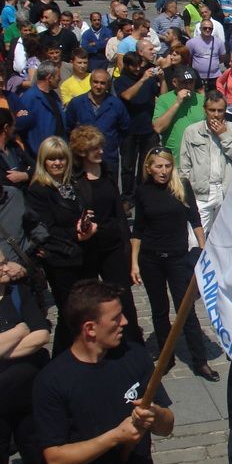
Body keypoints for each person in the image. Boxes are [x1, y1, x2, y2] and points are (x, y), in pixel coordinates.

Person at [32, 280, 174, 464]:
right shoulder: (53, 381)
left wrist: (156, 416)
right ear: (90, 329)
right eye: (115, 318)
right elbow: (56, 459)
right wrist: (115, 437)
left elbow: (167, 426)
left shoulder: (133, 356)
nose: (125, 322)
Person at [130, 148, 219, 382]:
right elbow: (138, 229)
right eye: (158, 167)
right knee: (159, 310)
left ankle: (200, 360)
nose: (163, 171)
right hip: (150, 258)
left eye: (167, 166)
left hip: (178, 257)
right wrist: (134, 263)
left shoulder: (181, 186)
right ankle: (166, 357)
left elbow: (195, 219)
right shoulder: (143, 191)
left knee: (186, 310)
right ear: (149, 168)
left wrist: (202, 248)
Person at [0, 258, 58, 464]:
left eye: (3, 262)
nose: (5, 268)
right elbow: (27, 330)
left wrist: (6, 347)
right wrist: (20, 330)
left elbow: (41, 334)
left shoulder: (18, 293)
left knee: (39, 458)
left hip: (30, 396)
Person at [69, 124, 144, 345]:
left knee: (123, 297)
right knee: (89, 300)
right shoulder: (75, 179)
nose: (101, 151)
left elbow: (118, 213)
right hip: (89, 247)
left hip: (112, 244)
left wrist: (127, 247)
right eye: (95, 149)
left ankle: (131, 343)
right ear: (82, 152)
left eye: (101, 147)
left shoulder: (108, 172)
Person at [27, 136, 96, 354]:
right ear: (43, 162)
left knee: (83, 311)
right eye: (52, 159)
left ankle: (81, 354)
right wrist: (77, 233)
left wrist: (86, 220)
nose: (57, 164)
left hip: (81, 255)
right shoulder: (39, 190)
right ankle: (62, 358)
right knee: (69, 313)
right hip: (60, 259)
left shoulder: (70, 185)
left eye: (61, 159)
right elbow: (45, 229)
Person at [179, 91, 232, 235]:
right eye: (212, 110)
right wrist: (185, 194)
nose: (216, 114)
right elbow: (185, 166)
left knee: (225, 238)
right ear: (205, 110)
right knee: (196, 241)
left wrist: (224, 135)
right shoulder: (192, 131)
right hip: (201, 193)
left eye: (220, 110)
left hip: (227, 192)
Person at [116, 52, 165, 201]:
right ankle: (127, 197)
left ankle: (142, 194)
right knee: (127, 167)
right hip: (129, 130)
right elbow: (127, 96)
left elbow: (162, 96)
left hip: (148, 130)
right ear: (126, 65)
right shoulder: (121, 81)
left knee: (146, 165)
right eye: (133, 66)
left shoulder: (149, 80)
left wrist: (162, 80)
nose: (137, 69)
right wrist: (143, 79)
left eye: (139, 65)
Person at [64, 70, 130, 177]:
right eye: (95, 82)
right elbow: (68, 128)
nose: (98, 86)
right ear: (90, 82)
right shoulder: (77, 103)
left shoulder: (116, 104)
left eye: (102, 83)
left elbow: (125, 129)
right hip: (82, 158)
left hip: (108, 158)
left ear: (108, 85)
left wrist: (112, 143)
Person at [152, 67, 205, 160]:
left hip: (198, 157)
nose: (188, 86)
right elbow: (158, 128)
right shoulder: (164, 100)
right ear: (174, 82)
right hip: (175, 158)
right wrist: (177, 103)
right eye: (184, 82)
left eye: (191, 82)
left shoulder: (201, 100)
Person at [18, 62, 65, 158]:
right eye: (57, 76)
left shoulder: (54, 96)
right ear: (49, 77)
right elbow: (22, 128)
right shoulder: (30, 97)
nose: (60, 79)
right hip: (41, 154)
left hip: (58, 150)